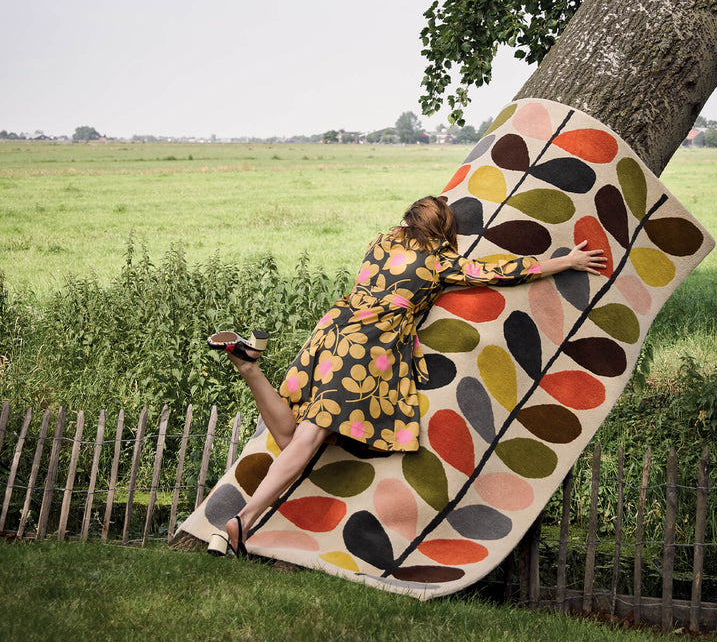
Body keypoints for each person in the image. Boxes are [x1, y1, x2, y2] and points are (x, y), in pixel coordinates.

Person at [208, 195, 606, 555]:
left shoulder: (379, 243)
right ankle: (243, 520)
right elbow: (502, 271)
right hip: (368, 345)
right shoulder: (440, 261)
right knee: (309, 436)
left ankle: (248, 365)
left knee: (289, 435)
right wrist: (567, 261)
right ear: (445, 230)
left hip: (333, 330)